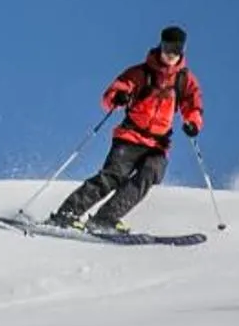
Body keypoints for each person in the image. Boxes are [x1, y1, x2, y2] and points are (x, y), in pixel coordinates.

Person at [48, 25, 204, 231]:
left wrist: (193, 123)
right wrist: (119, 96)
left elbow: (193, 106)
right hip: (130, 136)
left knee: (149, 175)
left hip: (158, 144)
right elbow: (112, 94)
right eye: (166, 48)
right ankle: (67, 213)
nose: (170, 55)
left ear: (182, 51)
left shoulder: (185, 81)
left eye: (175, 51)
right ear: (161, 45)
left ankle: (105, 218)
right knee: (112, 176)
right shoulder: (140, 72)